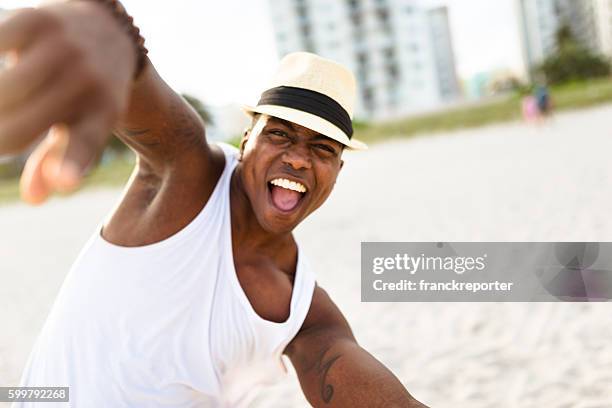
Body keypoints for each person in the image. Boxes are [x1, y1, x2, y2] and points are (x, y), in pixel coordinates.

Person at [0, 1, 427, 407]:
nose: (298, 158)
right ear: (246, 141)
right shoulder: (189, 176)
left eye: (322, 149)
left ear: (337, 171)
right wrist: (112, 42)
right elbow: (155, 108)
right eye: (279, 134)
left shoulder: (302, 311)